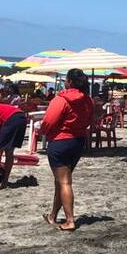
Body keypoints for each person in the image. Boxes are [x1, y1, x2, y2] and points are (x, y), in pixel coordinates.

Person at [39, 68, 94, 231]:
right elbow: (90, 120)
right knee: (62, 181)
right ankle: (53, 216)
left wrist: (43, 131)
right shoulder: (87, 100)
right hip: (77, 142)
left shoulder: (61, 99)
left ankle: (70, 220)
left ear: (69, 82)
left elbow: (49, 121)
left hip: (60, 142)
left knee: (64, 181)